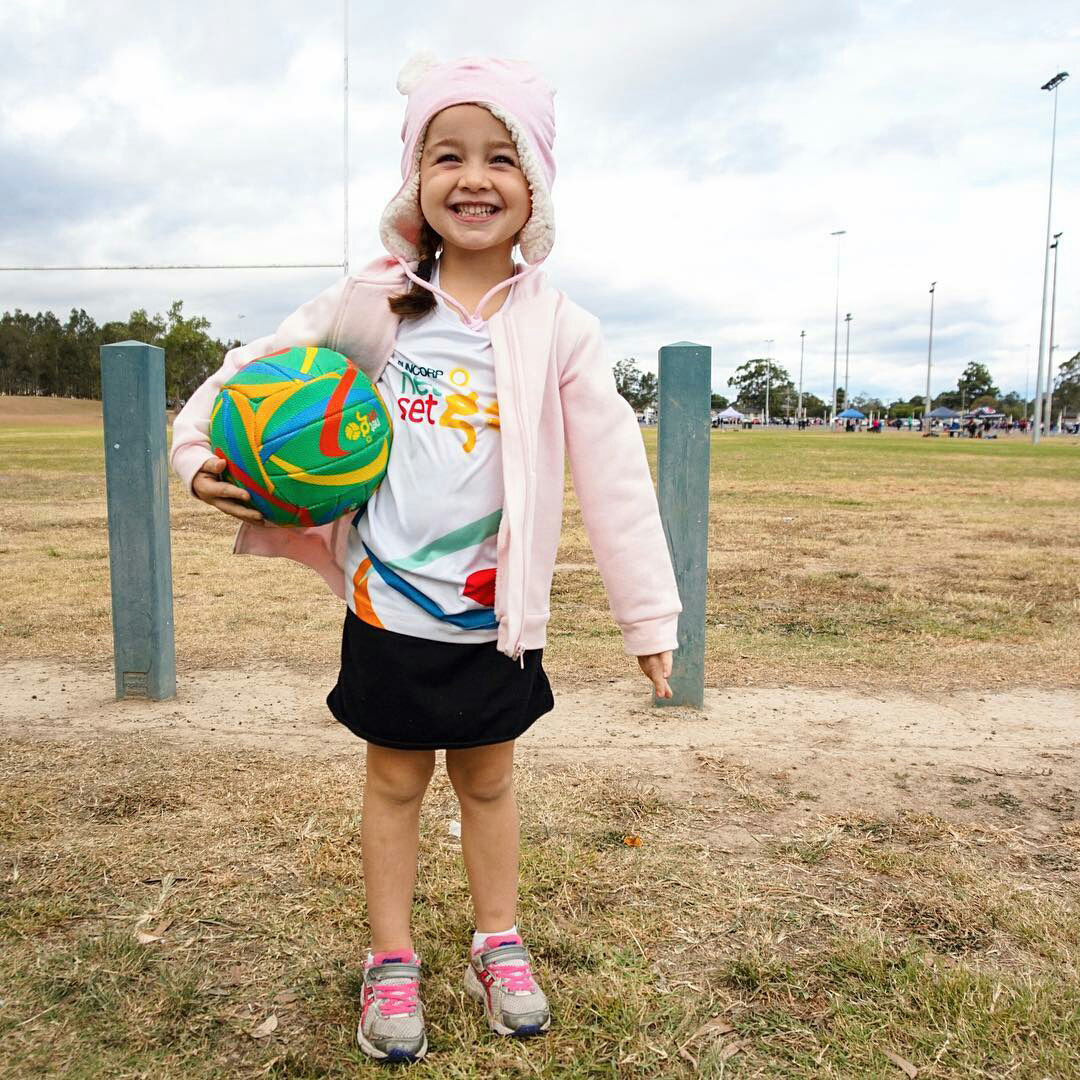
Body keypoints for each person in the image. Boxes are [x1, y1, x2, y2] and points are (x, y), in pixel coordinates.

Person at [169, 54, 681, 1064]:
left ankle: (500, 942)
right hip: (387, 612)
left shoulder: (561, 329)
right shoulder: (375, 303)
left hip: (496, 622)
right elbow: (248, 374)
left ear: (534, 187)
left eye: (501, 157)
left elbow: (617, 477)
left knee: (488, 784)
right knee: (395, 783)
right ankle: (391, 959)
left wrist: (648, 621)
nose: (473, 178)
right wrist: (194, 456)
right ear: (416, 182)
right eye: (447, 156)